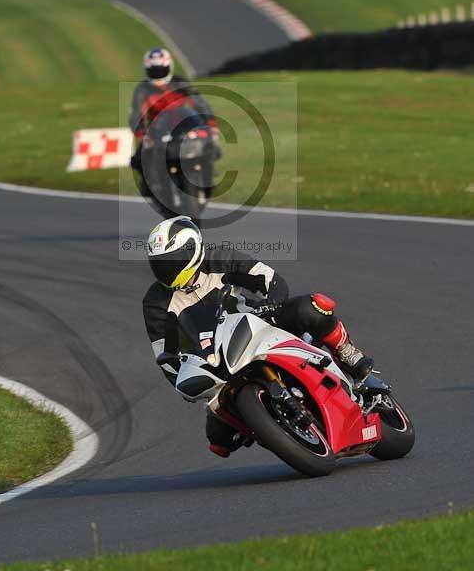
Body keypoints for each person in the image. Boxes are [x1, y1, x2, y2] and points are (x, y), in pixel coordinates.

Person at [142, 215, 374, 458]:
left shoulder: (219, 259)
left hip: (260, 325)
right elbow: (167, 356)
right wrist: (187, 382)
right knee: (219, 441)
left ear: (192, 250)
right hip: (219, 363)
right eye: (159, 263)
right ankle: (271, 427)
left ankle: (348, 353)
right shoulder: (156, 303)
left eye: (171, 261)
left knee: (311, 307)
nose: (165, 269)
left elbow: (270, 279)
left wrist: (271, 303)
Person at [129, 48, 218, 196]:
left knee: (208, 146)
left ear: (169, 67)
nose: (158, 75)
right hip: (156, 129)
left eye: (161, 70)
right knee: (140, 157)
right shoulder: (142, 89)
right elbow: (136, 115)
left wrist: (211, 125)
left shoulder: (180, 83)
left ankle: (207, 180)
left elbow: (199, 103)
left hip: (182, 124)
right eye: (154, 71)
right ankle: (149, 185)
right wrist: (141, 134)